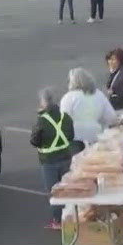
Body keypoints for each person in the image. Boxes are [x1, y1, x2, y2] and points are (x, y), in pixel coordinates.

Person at [30, 88, 78, 229]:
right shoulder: (65, 117)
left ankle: (57, 221)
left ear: (43, 103)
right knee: (68, 189)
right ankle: (72, 217)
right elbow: (70, 136)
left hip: (48, 161)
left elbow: (34, 141)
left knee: (54, 192)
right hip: (65, 157)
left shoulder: (41, 121)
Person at [60, 67, 118, 145]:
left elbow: (63, 120)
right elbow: (111, 117)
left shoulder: (69, 97)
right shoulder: (99, 95)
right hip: (95, 136)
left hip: (74, 137)